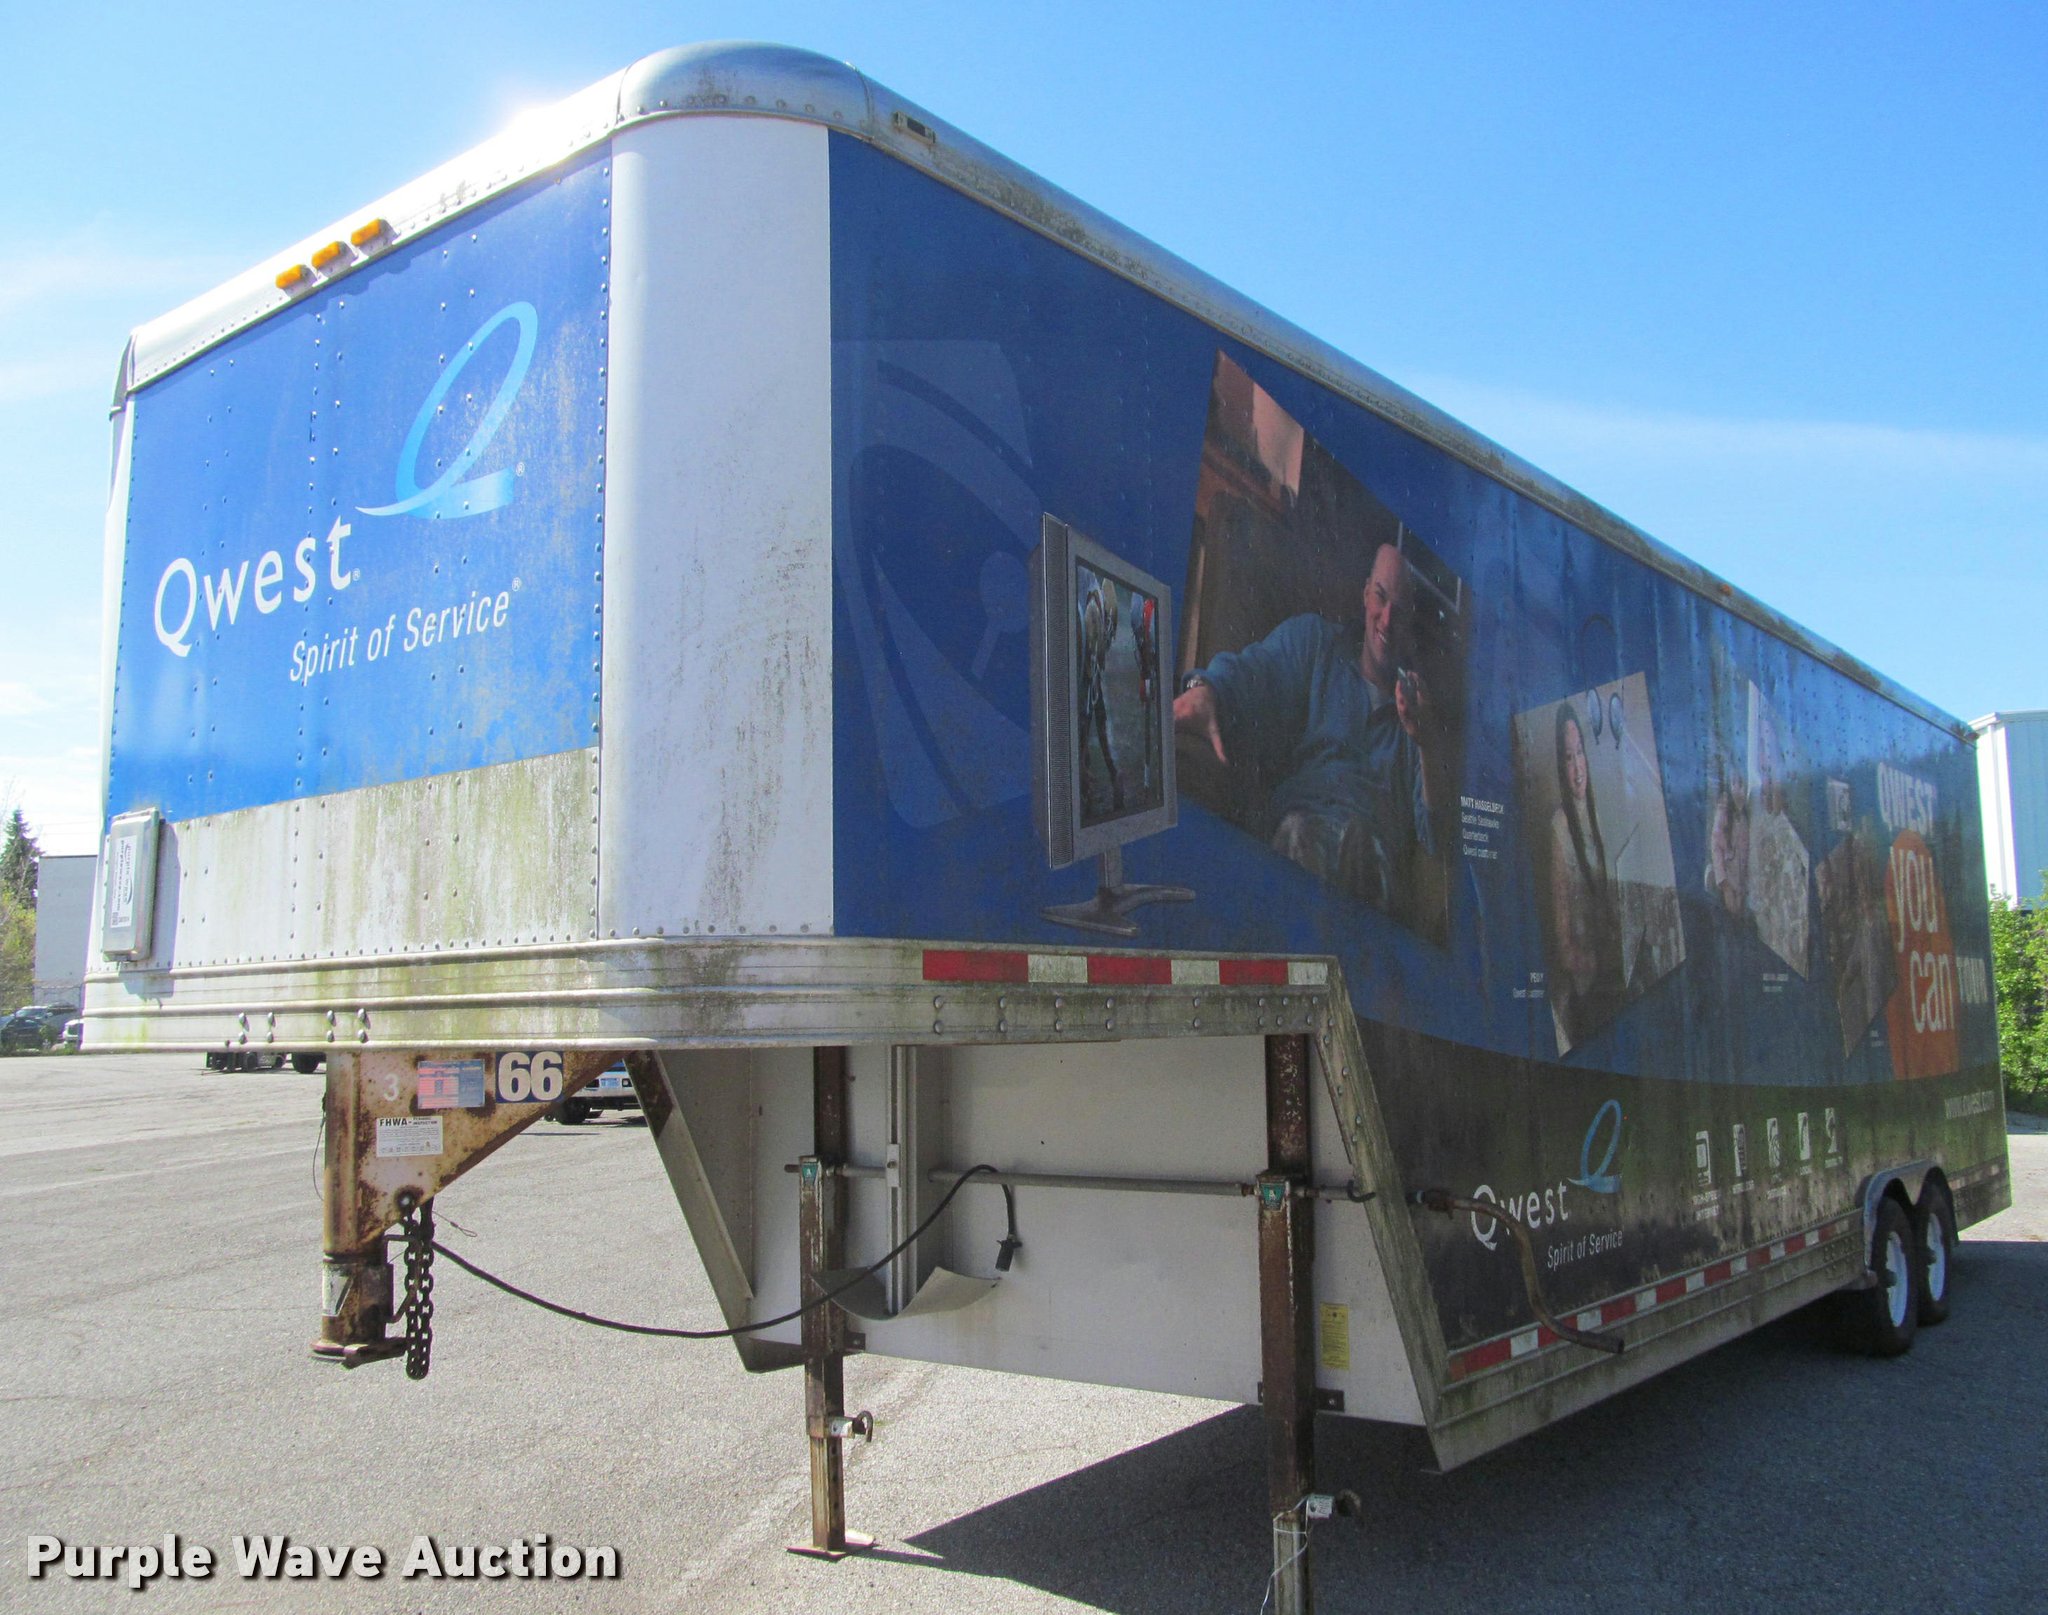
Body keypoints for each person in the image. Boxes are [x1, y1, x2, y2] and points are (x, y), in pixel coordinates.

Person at [1171, 539, 1435, 916]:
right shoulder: (1315, 643)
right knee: (1299, 833)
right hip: (1298, 836)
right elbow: (1253, 673)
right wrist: (1205, 688)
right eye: (1380, 596)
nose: (1387, 620)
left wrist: (1425, 741)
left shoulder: (1418, 713)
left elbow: (1434, 835)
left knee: (1364, 850)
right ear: (1365, 594)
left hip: (1370, 865)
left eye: (1401, 610)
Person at [1548, 705, 1624, 1049]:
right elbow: (1564, 949)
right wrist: (1600, 964)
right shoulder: (1559, 829)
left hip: (1611, 972)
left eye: (1580, 752)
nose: (1578, 767)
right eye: (1568, 757)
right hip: (1590, 989)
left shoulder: (1596, 813)